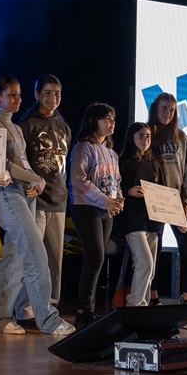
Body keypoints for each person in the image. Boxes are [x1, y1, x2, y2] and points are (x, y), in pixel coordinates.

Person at [0, 75, 75, 335]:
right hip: (7, 195)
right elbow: (0, 165)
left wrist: (33, 183)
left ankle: (0, 318)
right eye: (11, 94)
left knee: (15, 260)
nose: (17, 99)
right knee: (36, 253)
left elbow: (22, 164)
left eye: (18, 94)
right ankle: (48, 319)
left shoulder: (11, 123)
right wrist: (36, 178)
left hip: (25, 194)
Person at [17, 74, 71, 310]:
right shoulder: (27, 125)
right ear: (37, 94)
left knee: (54, 261)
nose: (53, 98)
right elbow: (19, 162)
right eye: (47, 93)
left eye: (57, 93)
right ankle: (26, 308)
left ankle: (49, 306)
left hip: (58, 201)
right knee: (32, 258)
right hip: (35, 200)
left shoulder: (64, 126)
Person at [70, 103, 124, 325]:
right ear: (94, 121)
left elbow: (116, 181)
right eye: (107, 119)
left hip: (105, 209)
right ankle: (84, 309)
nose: (112, 123)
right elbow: (78, 180)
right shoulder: (84, 148)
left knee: (97, 259)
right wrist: (106, 200)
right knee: (95, 256)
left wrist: (118, 199)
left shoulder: (111, 153)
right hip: (86, 208)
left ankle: (89, 307)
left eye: (113, 119)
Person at [147, 93, 187, 305]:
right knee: (153, 251)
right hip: (154, 199)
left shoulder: (181, 136)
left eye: (172, 109)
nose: (168, 113)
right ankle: (153, 297)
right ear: (155, 109)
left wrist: (186, 202)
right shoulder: (147, 133)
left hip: (177, 200)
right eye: (164, 108)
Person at [115, 122, 163, 306]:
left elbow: (163, 190)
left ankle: (140, 303)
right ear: (132, 138)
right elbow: (113, 186)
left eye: (148, 136)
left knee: (148, 268)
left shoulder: (154, 162)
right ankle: (135, 305)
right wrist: (128, 190)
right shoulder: (124, 161)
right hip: (132, 218)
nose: (145, 139)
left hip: (152, 218)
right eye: (141, 135)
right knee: (145, 262)